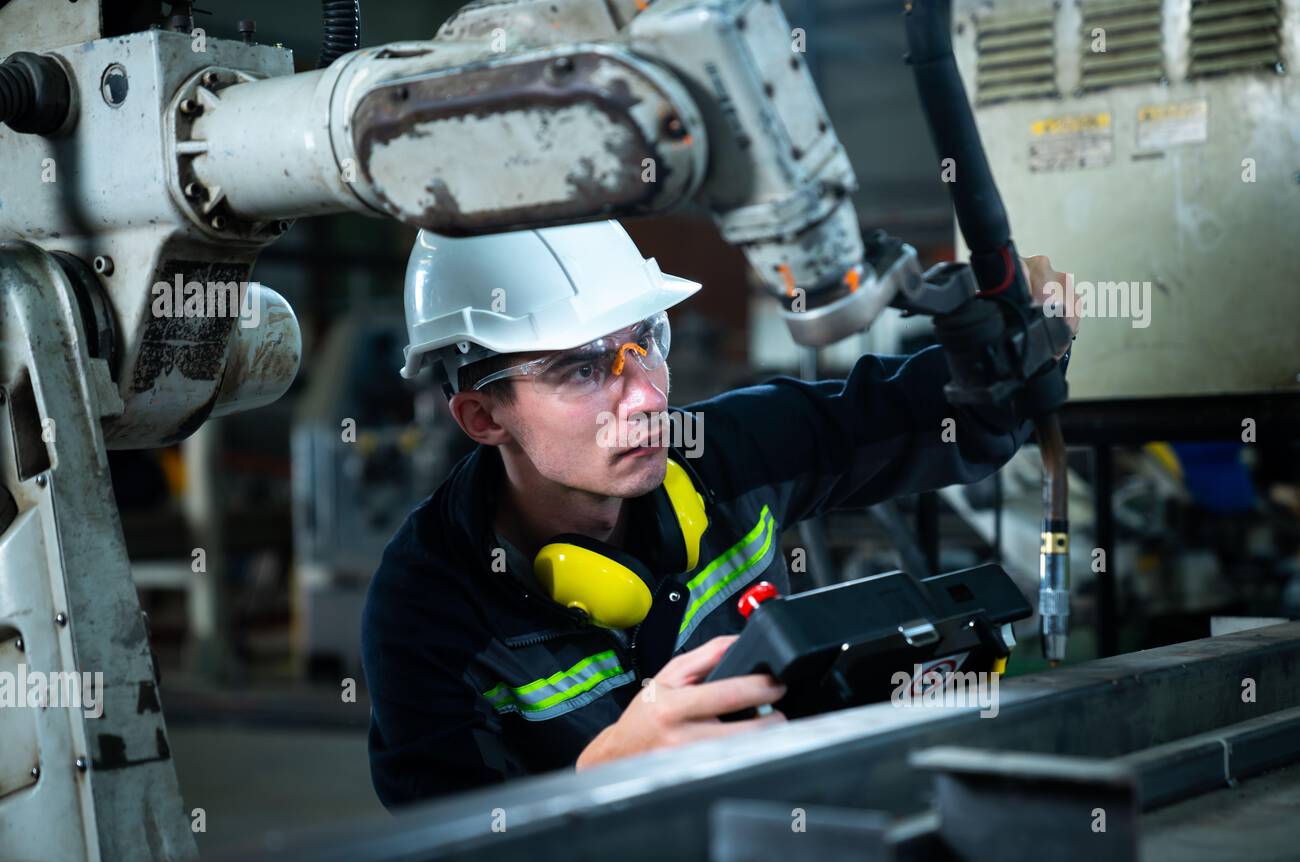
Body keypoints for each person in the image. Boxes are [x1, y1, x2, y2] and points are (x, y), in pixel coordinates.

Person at [361, 220, 1078, 808]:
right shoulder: (426, 607)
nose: (645, 397)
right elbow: (448, 851)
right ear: (483, 416)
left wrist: (1008, 352)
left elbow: (929, 419)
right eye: (583, 369)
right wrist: (599, 779)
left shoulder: (727, 457)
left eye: (648, 341)